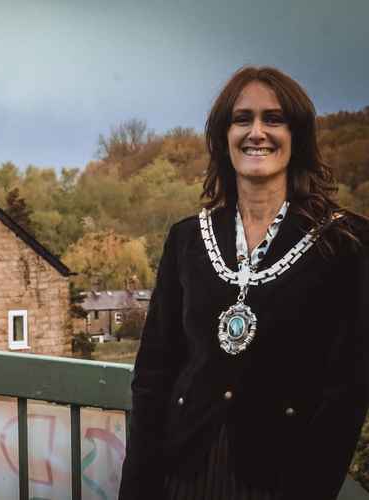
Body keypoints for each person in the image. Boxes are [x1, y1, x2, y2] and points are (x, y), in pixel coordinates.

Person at [118, 66, 369, 500]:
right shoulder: (186, 239)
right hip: (180, 474)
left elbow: (347, 391)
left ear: (298, 135)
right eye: (242, 119)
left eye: (273, 119)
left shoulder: (345, 242)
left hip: (283, 479)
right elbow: (154, 374)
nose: (257, 132)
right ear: (223, 136)